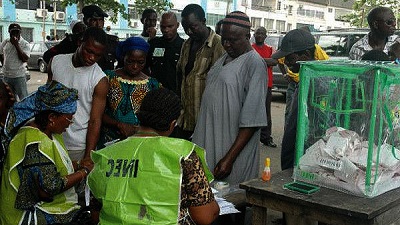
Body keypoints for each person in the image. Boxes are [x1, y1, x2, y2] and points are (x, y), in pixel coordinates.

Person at [88, 88, 219, 224]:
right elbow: (205, 217)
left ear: (141, 116)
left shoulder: (106, 155)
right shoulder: (184, 154)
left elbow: (96, 215)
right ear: (172, 124)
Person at [0, 81, 94, 225]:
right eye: (69, 117)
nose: (71, 122)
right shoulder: (34, 142)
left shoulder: (51, 133)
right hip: (27, 215)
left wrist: (78, 164)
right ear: (52, 117)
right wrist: (84, 172)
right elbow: (48, 189)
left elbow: (53, 167)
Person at [192, 11, 267, 185]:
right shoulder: (224, 58)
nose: (226, 44)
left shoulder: (254, 64)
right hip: (209, 142)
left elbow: (253, 121)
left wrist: (229, 159)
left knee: (232, 200)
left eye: (232, 40)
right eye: (224, 38)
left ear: (248, 37)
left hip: (231, 151)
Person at [47, 27, 109, 162]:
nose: (92, 58)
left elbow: (95, 120)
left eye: (98, 55)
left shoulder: (99, 80)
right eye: (89, 51)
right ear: (80, 42)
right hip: (51, 139)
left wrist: (88, 155)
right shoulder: (56, 62)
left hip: (77, 146)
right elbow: (46, 100)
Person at [271, 29, 329, 171]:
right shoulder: (306, 79)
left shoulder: (315, 84)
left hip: (305, 160)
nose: (287, 63)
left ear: (306, 55)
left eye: (290, 58)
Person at [98, 37, 161, 148]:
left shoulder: (152, 85)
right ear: (123, 57)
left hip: (137, 142)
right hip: (108, 140)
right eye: (130, 61)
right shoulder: (108, 77)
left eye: (140, 62)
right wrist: (119, 124)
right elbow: (97, 112)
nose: (135, 66)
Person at [175, 4, 225, 140]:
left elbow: (220, 84)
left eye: (193, 26)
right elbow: (181, 73)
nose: (189, 31)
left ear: (203, 21)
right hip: (185, 118)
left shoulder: (218, 44)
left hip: (205, 121)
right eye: (185, 28)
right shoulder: (186, 44)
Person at [146, 11, 184, 95]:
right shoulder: (154, 43)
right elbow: (146, 66)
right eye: (163, 27)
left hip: (175, 96)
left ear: (177, 25)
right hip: (155, 94)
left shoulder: (184, 46)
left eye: (170, 26)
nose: (166, 30)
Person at [252, 26, 277, 148]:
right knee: (251, 110)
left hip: (267, 85)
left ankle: (266, 138)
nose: (260, 35)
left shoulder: (270, 49)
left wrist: (258, 60)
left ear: (265, 36)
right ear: (254, 35)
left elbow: (274, 61)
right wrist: (265, 61)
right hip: (253, 85)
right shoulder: (250, 49)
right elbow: (249, 62)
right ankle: (250, 138)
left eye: (262, 33)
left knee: (266, 113)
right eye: (257, 33)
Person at [82, 4, 119, 70]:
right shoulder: (75, 41)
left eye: (101, 20)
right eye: (94, 20)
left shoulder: (112, 42)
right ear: (85, 21)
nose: (98, 24)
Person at [0, 23, 30, 100]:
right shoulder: (5, 42)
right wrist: (4, 64)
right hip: (6, 76)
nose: (15, 34)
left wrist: (16, 45)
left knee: (23, 99)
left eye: (17, 32)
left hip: (19, 76)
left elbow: (25, 59)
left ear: (20, 32)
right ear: (9, 32)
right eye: (13, 32)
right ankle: (12, 112)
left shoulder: (25, 43)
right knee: (9, 100)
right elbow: (0, 53)